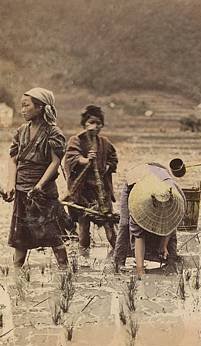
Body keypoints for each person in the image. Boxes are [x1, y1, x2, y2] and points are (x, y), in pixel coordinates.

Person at [4, 88, 69, 269]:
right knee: (20, 242)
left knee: (55, 240)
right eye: (21, 106)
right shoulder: (21, 131)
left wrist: (39, 186)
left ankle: (65, 276)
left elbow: (55, 162)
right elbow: (13, 158)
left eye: (26, 106)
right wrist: (11, 184)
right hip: (22, 192)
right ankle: (16, 284)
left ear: (40, 107)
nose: (22, 110)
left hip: (43, 194)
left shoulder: (53, 133)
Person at [64, 105, 118, 264]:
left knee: (109, 226)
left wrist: (107, 166)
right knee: (84, 228)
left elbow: (113, 159)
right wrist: (86, 160)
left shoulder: (105, 142)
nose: (95, 126)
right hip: (83, 191)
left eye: (99, 123)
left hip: (102, 191)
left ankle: (118, 255)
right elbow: (71, 158)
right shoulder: (76, 140)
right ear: (85, 124)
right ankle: (84, 260)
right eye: (92, 122)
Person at [113, 163, 185, 277]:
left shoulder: (174, 197)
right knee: (125, 224)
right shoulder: (140, 203)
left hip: (160, 177)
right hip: (137, 181)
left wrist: (163, 246)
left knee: (171, 238)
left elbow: (171, 225)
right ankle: (118, 262)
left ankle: (171, 263)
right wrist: (140, 270)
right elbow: (139, 237)